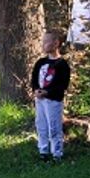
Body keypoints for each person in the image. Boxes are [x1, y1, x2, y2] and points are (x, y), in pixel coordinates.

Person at [30, 30, 71, 164]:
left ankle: (57, 153)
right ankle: (43, 151)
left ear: (56, 43)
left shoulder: (62, 65)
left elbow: (62, 84)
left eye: (47, 42)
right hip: (40, 100)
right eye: (43, 42)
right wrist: (36, 90)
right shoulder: (40, 62)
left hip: (53, 100)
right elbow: (34, 79)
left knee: (54, 127)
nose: (44, 45)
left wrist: (47, 92)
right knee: (41, 125)